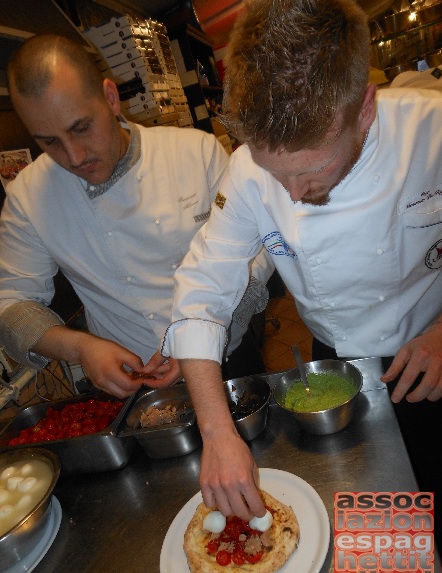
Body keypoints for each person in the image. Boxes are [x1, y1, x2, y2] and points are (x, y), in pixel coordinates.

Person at [162, 0, 442, 541]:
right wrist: (218, 433)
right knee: (370, 519)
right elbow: (202, 291)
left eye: (312, 170)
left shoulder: (432, 133)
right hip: (335, 360)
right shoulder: (246, 172)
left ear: (364, 109)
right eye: (275, 174)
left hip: (427, 347)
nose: (292, 196)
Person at [0, 34, 273, 400]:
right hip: (133, 385)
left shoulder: (194, 153)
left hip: (227, 359)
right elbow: (7, 302)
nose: (75, 156)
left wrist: (202, 332)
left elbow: (258, 249)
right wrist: (80, 349)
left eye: (81, 128)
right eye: (49, 142)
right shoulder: (28, 196)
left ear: (111, 98)